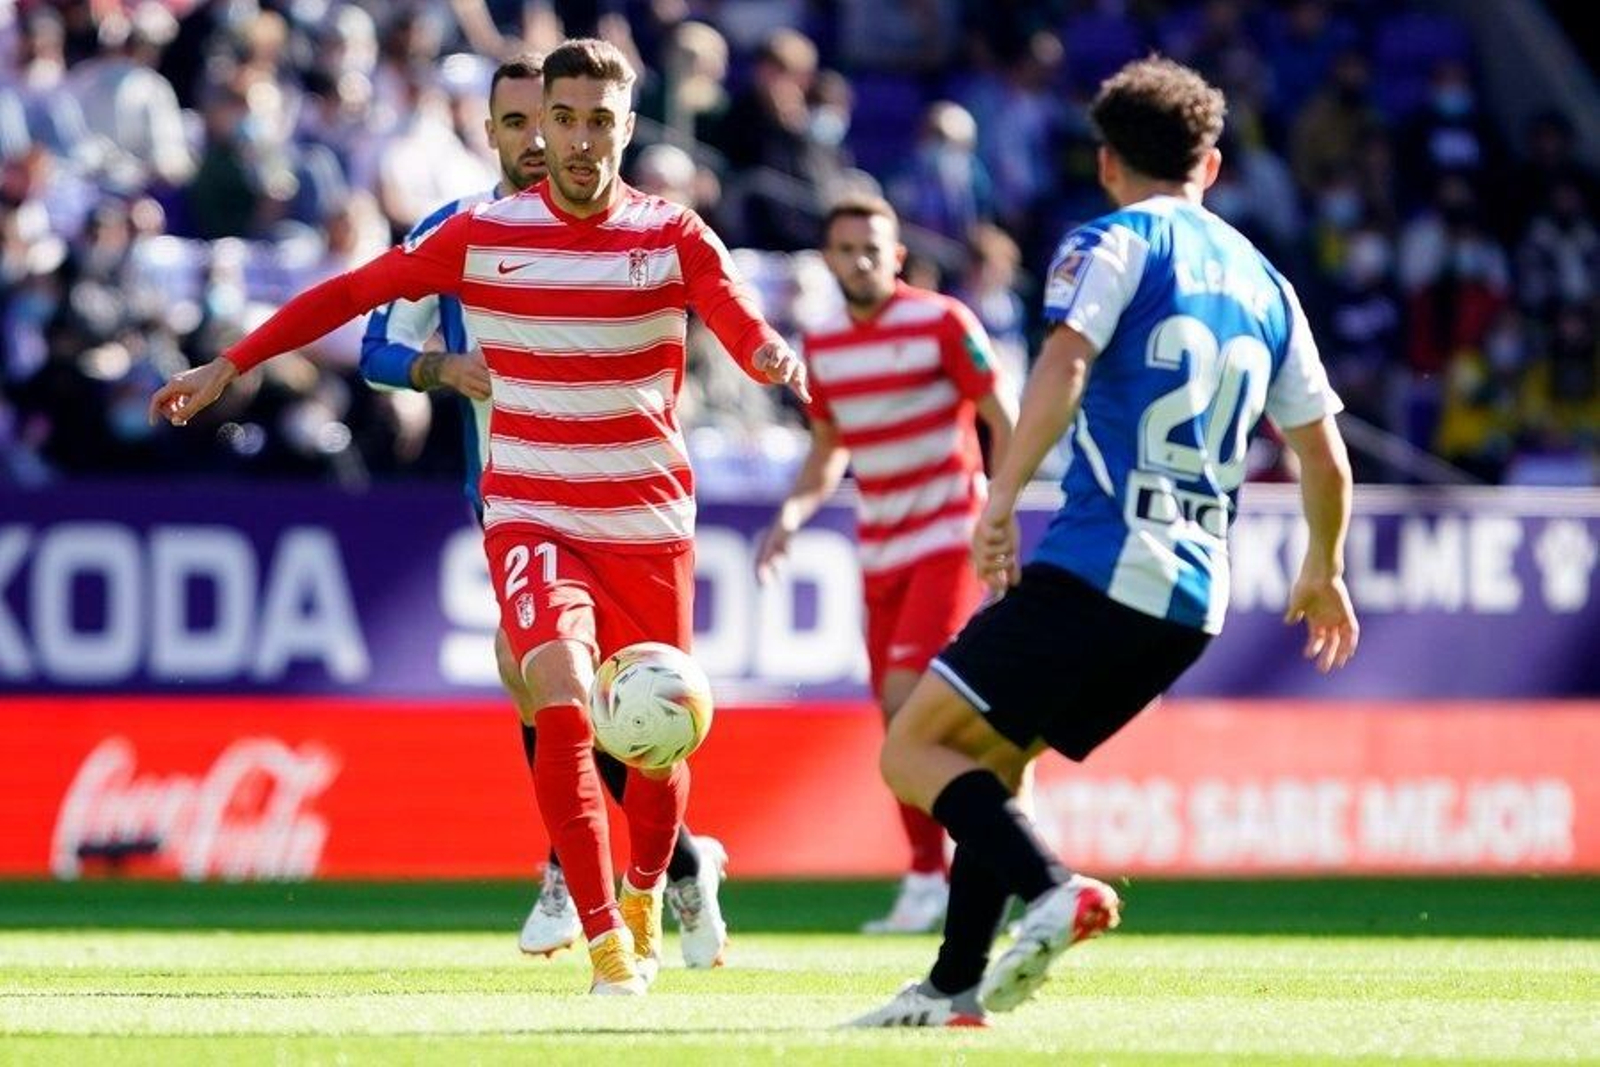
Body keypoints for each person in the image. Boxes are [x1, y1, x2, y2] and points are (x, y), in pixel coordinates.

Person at [150, 38, 810, 997]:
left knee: (661, 741)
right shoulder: (481, 233)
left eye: (600, 122)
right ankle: (606, 944)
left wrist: (767, 356)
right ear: (539, 125)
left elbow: (735, 309)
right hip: (532, 509)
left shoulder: (671, 233)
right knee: (558, 695)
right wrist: (231, 362)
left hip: (645, 521)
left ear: (628, 129)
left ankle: (646, 886)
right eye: (565, 119)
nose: (581, 141)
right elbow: (351, 294)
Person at [850, 57, 1359, 1027]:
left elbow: (1064, 360)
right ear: (1210, 164)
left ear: (1105, 163)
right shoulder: (1267, 282)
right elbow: (1324, 459)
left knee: (911, 744)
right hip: (1190, 602)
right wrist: (1322, 566)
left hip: (1101, 561)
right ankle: (955, 986)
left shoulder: (1113, 242)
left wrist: (1000, 493)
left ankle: (1052, 888)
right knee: (990, 762)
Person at [357, 53, 727, 968]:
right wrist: (441, 368)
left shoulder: (624, 225)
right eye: (518, 123)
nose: (537, 140)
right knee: (553, 683)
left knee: (559, 680)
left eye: (550, 120)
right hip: (511, 492)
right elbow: (372, 343)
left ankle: (597, 867)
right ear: (490, 132)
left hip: (613, 493)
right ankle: (656, 863)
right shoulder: (461, 229)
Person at [755, 194, 1015, 934]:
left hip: (947, 534)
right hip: (880, 549)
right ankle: (959, 857)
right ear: (828, 259)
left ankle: (939, 874)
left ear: (896, 254)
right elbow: (827, 450)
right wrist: (792, 515)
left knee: (908, 705)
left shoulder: (941, 322)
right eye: (846, 249)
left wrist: (1003, 506)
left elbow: (1003, 412)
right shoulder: (825, 344)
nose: (860, 260)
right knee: (902, 721)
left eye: (873, 248)